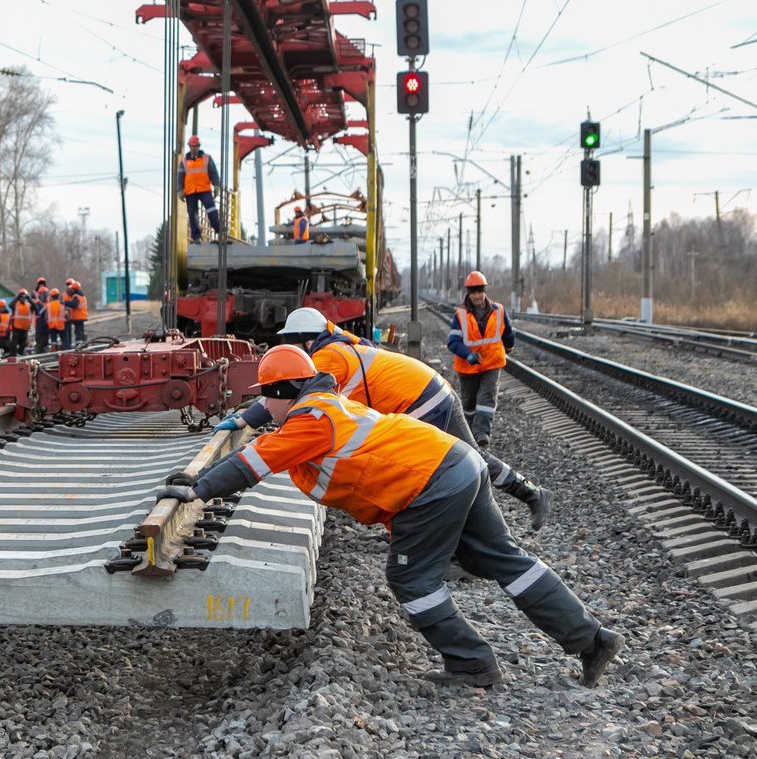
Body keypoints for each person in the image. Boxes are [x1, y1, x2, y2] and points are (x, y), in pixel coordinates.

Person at [158, 345, 624, 689]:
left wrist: (196, 488)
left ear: (283, 392)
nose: (265, 409)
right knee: (504, 559)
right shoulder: (328, 403)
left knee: (412, 580)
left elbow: (250, 465)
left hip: (430, 484)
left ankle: (473, 665)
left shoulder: (309, 420)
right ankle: (590, 639)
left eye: (267, 399)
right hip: (459, 462)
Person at [247, 307, 550, 529]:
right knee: (467, 461)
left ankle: (494, 522)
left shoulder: (326, 358)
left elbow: (286, 394)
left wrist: (244, 420)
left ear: (304, 340)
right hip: (427, 393)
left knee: (454, 466)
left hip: (423, 401)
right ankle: (523, 498)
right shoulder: (337, 347)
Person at [447, 271, 514, 448]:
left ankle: (481, 433)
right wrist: (467, 354)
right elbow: (452, 342)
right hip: (467, 367)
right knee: (469, 403)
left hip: (492, 363)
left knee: (487, 397)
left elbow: (508, 334)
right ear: (468, 293)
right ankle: (469, 431)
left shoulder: (498, 310)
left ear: (485, 291)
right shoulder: (460, 315)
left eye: (479, 291)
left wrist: (508, 347)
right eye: (473, 292)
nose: (477, 295)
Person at [177, 134, 221, 243]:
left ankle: (219, 230)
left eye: (195, 146)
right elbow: (180, 177)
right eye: (191, 146)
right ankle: (196, 238)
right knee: (192, 214)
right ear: (189, 147)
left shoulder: (206, 158)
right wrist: (179, 190)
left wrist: (216, 185)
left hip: (204, 189)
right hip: (190, 191)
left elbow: (213, 173)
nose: (193, 148)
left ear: (199, 146)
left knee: (211, 209)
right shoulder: (184, 162)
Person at [10, 289, 35, 356]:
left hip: (25, 329)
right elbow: (10, 305)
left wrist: (29, 298)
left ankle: (20, 356)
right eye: (21, 297)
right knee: (14, 344)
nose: (23, 299)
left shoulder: (29, 306)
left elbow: (35, 307)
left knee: (22, 345)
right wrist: (17, 297)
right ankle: (13, 356)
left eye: (24, 297)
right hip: (16, 328)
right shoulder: (16, 305)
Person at [65, 278, 89, 346]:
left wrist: (65, 303)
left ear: (74, 289)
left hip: (78, 317)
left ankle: (79, 345)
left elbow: (74, 304)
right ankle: (82, 343)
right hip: (82, 316)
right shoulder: (81, 295)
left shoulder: (76, 296)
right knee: (80, 331)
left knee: (78, 332)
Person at [33, 277, 51, 354]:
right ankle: (39, 352)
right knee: (39, 338)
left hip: (46, 323)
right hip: (39, 323)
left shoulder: (49, 303)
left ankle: (44, 351)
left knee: (45, 338)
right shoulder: (37, 303)